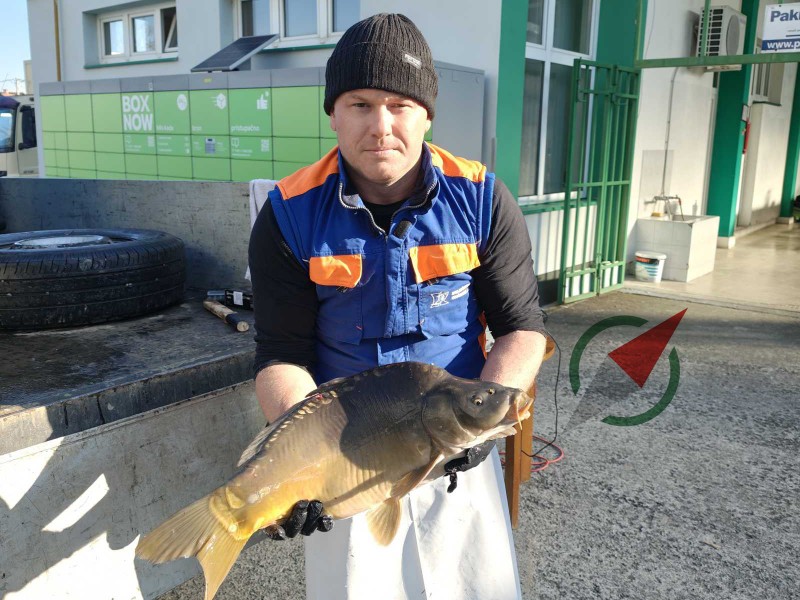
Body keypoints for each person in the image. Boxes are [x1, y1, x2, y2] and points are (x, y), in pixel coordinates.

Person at [248, 13, 548, 600]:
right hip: (345, 461)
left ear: (426, 114)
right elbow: (281, 355)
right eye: (360, 104)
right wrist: (301, 461)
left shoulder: (482, 198)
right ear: (333, 113)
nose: (380, 126)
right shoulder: (288, 214)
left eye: (399, 105)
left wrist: (481, 423)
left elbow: (523, 329)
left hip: (457, 456)